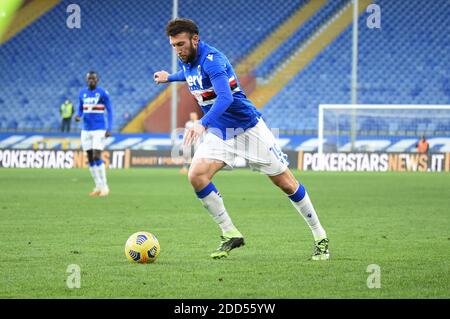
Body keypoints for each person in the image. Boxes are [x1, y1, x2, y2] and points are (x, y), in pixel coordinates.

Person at [154, 18, 329, 260]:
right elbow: (189, 76)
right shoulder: (188, 61)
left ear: (195, 39)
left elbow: (225, 98)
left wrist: (202, 123)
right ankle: (230, 233)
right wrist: (168, 77)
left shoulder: (213, 61)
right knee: (196, 175)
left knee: (286, 183)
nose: (177, 50)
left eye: (181, 44)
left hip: (248, 129)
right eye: (173, 46)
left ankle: (320, 237)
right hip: (220, 133)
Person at [75, 71, 112, 196]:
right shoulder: (82, 93)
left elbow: (110, 111)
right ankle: (98, 186)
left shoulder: (103, 93)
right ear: (86, 80)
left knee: (97, 156)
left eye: (93, 79)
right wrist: (78, 116)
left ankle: (105, 187)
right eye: (89, 79)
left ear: (97, 80)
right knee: (90, 158)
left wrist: (109, 128)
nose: (91, 80)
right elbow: (80, 108)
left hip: (99, 129)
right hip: (85, 129)